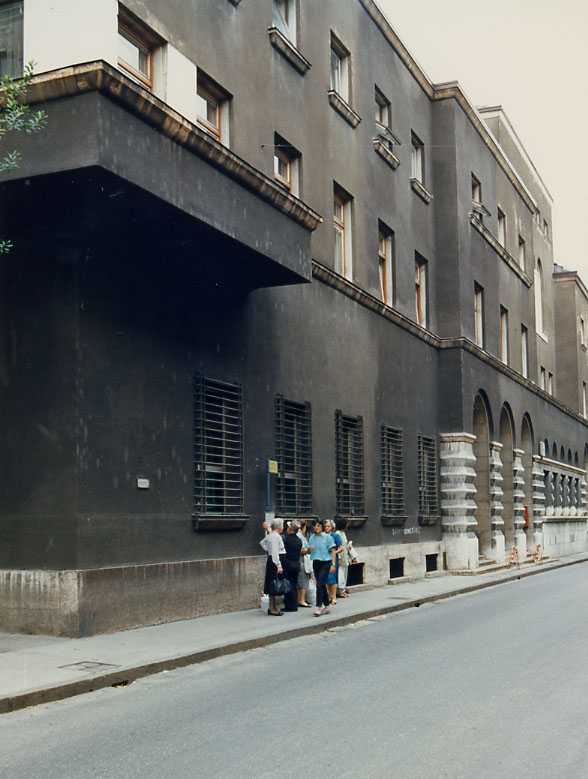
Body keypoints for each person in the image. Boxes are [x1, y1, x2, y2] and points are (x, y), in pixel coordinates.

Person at [307, 519, 336, 617]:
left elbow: (333, 551)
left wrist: (333, 564)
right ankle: (327, 606)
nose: (316, 527)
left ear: (322, 527)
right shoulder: (311, 538)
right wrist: (308, 550)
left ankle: (318, 606)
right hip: (316, 562)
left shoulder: (327, 537)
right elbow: (309, 551)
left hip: (326, 562)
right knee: (322, 584)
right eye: (315, 526)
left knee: (319, 583)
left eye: (318, 526)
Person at [260, 518, 286, 616]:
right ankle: (272, 608)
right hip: (275, 563)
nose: (283, 526)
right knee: (274, 585)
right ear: (279, 527)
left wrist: (268, 550)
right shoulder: (275, 536)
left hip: (272, 562)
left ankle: (273, 608)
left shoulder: (272, 535)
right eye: (282, 525)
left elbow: (263, 543)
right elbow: (275, 553)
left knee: (272, 585)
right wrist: (279, 565)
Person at [282, 520, 303, 612]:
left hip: (288, 564)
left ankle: (290, 606)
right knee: (294, 585)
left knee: (288, 585)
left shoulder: (286, 539)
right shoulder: (298, 540)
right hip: (296, 564)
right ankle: (294, 605)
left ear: (290, 529)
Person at [324, 519, 342, 605]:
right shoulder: (323, 536)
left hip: (333, 560)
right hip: (324, 559)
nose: (326, 528)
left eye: (328, 526)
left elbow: (341, 548)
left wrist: (334, 552)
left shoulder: (335, 536)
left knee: (332, 578)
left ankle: (334, 597)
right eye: (325, 526)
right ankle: (329, 596)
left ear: (332, 527)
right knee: (326, 579)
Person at [296, 519, 312, 607]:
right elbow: (301, 550)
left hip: (301, 560)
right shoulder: (300, 536)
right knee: (303, 581)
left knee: (301, 581)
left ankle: (300, 599)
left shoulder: (299, 535)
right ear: (303, 527)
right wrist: (308, 550)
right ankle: (301, 600)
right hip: (302, 560)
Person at [335, 517, 351, 598]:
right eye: (346, 524)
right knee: (341, 574)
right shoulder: (338, 533)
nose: (347, 525)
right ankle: (341, 591)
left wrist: (348, 546)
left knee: (344, 574)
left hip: (345, 555)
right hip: (340, 557)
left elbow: (344, 545)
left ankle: (343, 590)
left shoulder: (343, 533)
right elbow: (338, 546)